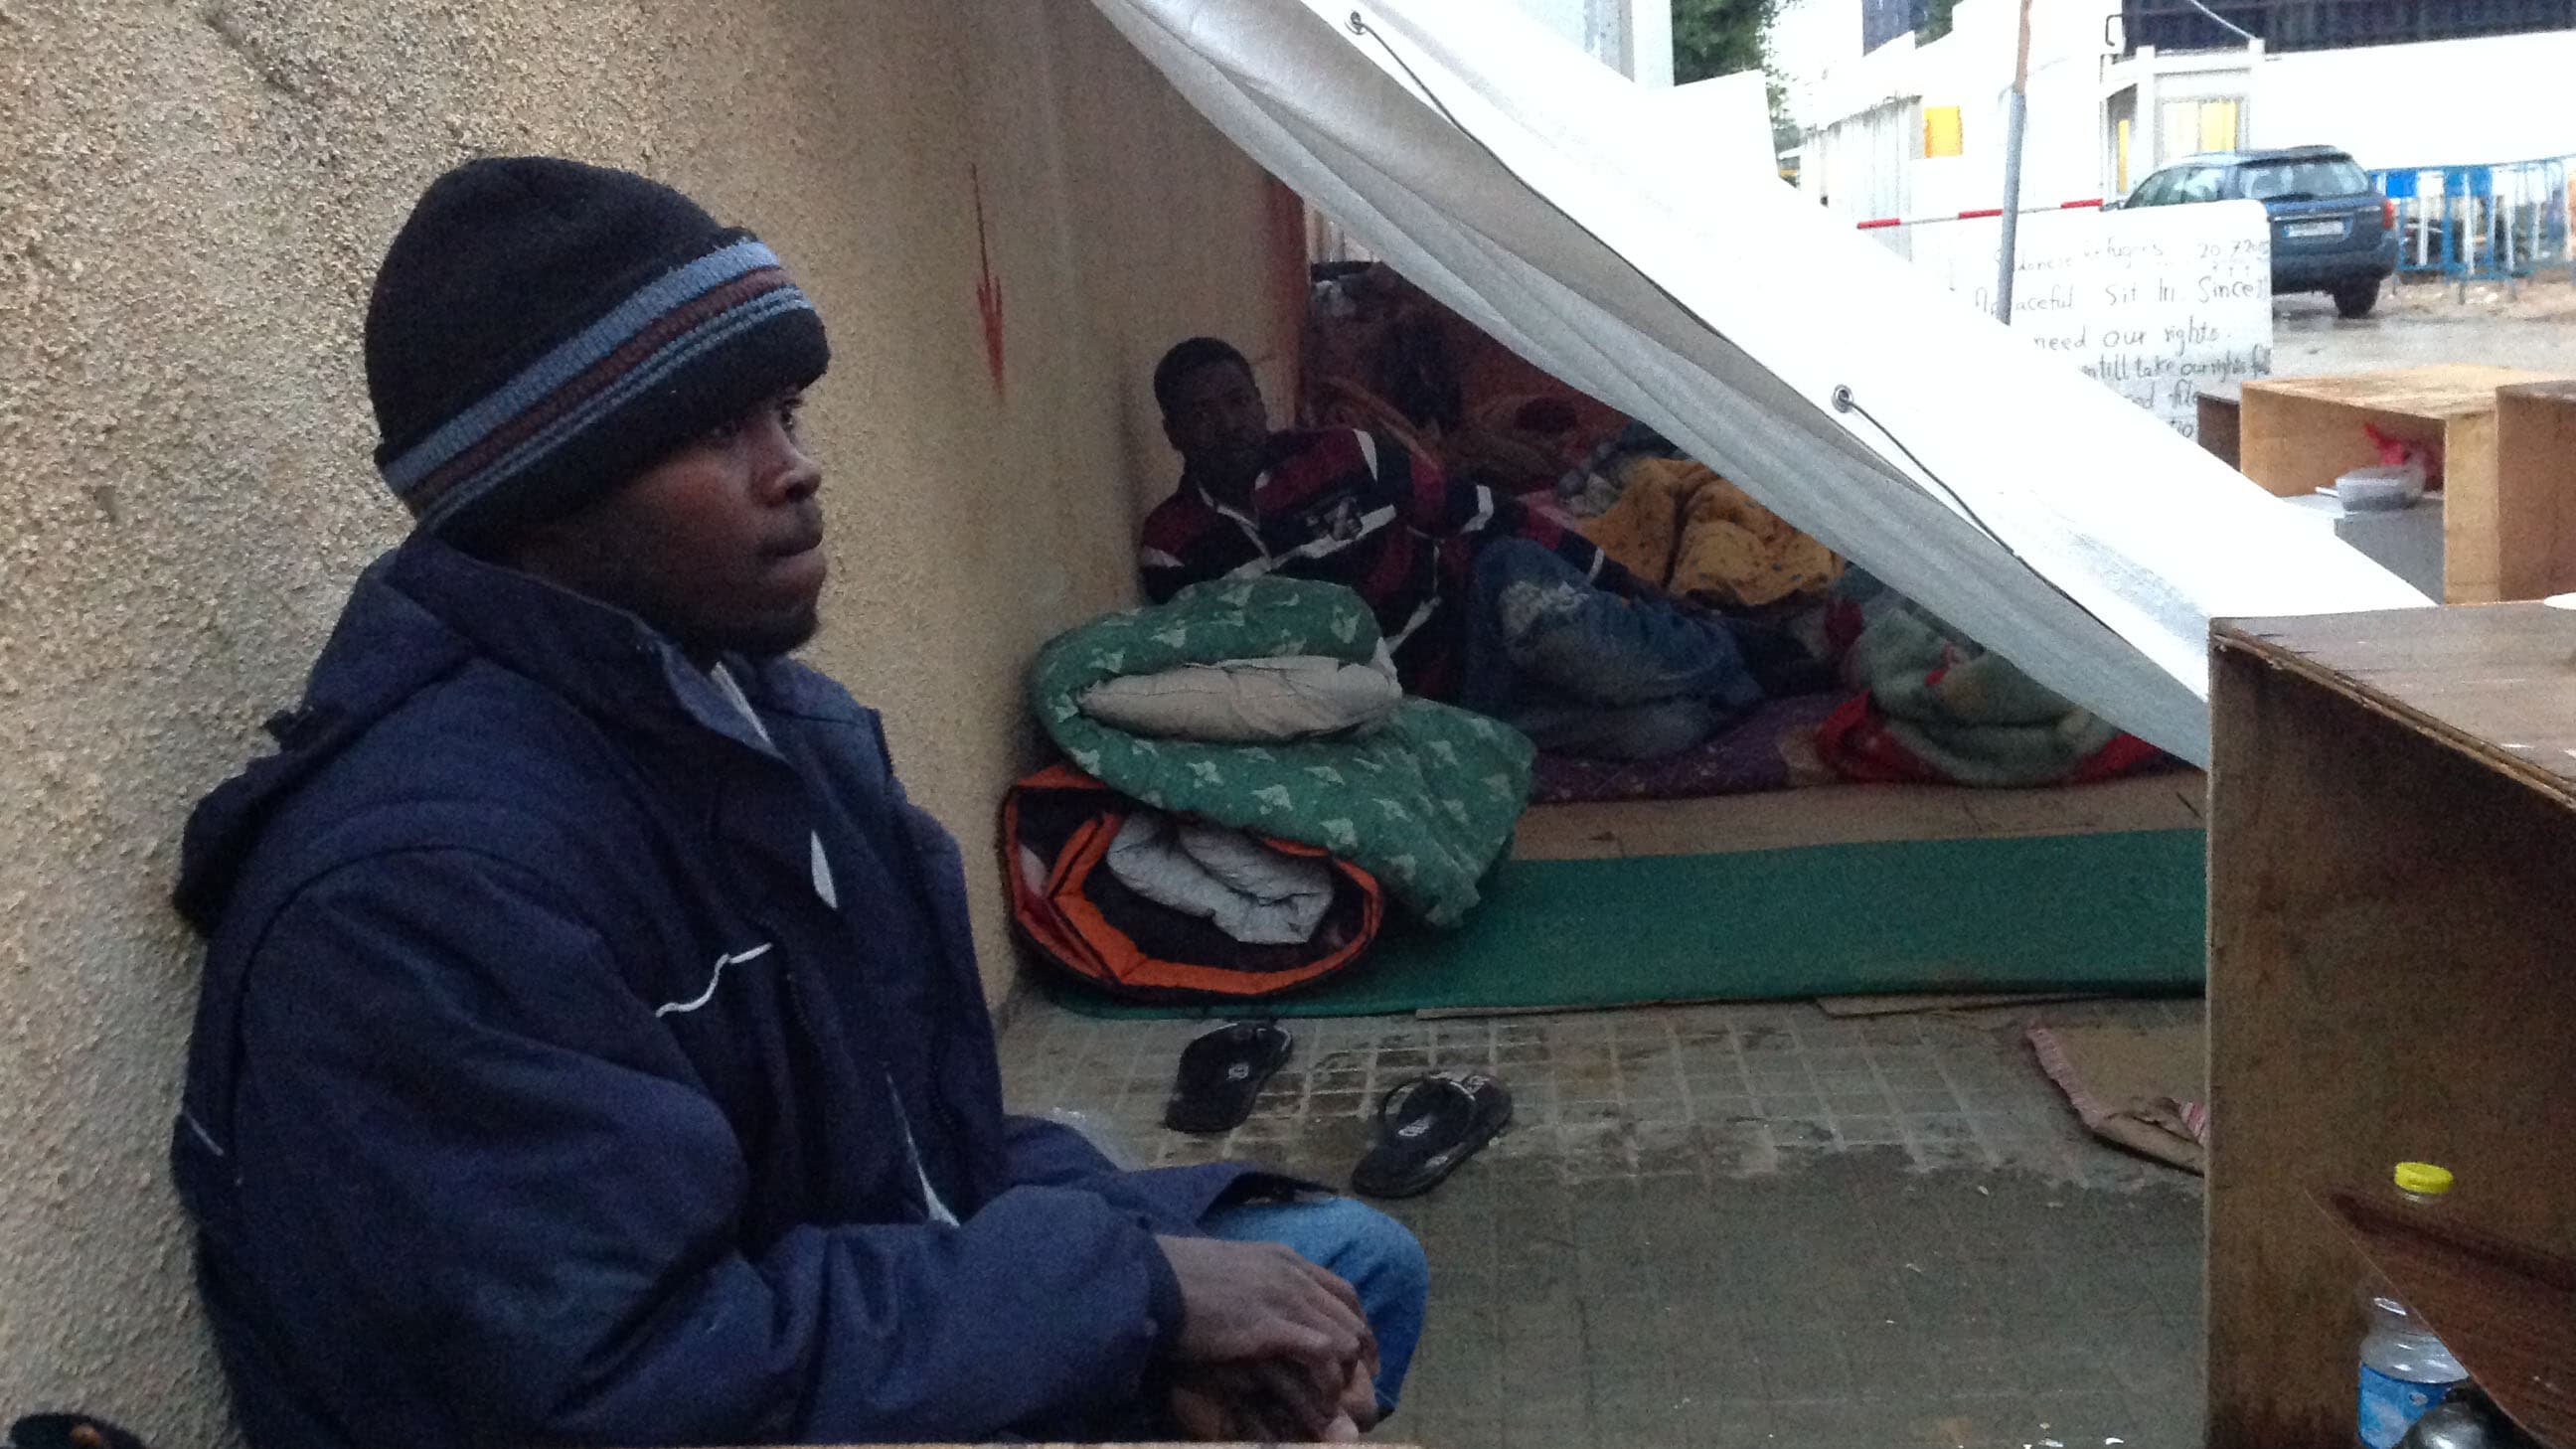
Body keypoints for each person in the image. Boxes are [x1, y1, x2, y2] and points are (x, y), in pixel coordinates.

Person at [168, 158, 1424, 1449]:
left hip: (821, 1327)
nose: (796, 471)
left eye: (786, 410)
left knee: (1341, 1271)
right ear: (541, 492)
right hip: (695, 1403)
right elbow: (625, 1384)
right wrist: (1132, 1302)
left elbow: (929, 1162)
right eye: (716, 430)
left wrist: (1154, 1309)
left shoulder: (768, 730)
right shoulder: (422, 889)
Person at [1142, 336, 1805, 760]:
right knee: (1665, 734)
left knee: (1587, 648)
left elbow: (1485, 514)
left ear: (1261, 404)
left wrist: (1629, 584)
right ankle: (1730, 676)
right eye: (1204, 413)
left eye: (1239, 401)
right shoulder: (1175, 548)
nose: (1229, 425)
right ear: (1174, 432)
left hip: (1482, 616)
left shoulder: (1345, 455)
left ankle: (1740, 645)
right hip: (1434, 712)